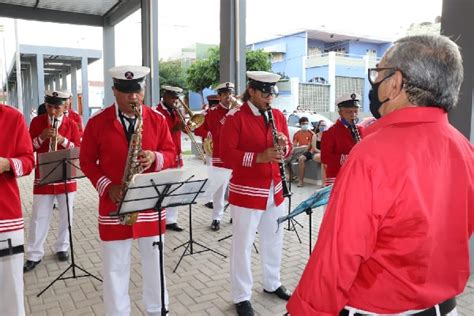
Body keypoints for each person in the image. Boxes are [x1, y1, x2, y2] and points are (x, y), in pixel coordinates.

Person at [287, 34, 473, 315]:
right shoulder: (465, 149)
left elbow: (338, 256)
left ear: (395, 83)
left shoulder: (373, 154)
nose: (374, 84)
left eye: (379, 74)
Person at [80, 65, 177, 315]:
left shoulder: (157, 119)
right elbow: (87, 161)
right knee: (115, 267)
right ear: (114, 91)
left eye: (137, 90)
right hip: (114, 203)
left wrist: (155, 157)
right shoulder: (97, 122)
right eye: (126, 91)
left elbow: (172, 154)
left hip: (149, 204)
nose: (133, 97)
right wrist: (107, 187)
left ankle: (158, 309)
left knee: (154, 262)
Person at [220, 71, 293, 316]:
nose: (269, 98)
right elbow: (226, 154)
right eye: (264, 93)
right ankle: (241, 296)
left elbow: (289, 148)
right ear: (251, 90)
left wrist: (284, 145)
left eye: (272, 93)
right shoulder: (235, 117)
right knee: (243, 244)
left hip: (274, 188)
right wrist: (259, 157)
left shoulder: (278, 115)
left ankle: (272, 283)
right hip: (247, 190)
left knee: (274, 239)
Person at [24, 90, 81, 272]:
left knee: (67, 216)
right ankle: (34, 254)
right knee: (39, 217)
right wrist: (42, 137)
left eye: (57, 107)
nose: (53, 111)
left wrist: (62, 140)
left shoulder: (72, 123)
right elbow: (28, 147)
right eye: (49, 106)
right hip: (44, 176)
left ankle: (62, 247)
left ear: (65, 106)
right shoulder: (37, 122)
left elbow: (78, 149)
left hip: (66, 175)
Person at [0, 103, 35, 316]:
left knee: (11, 291)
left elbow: (29, 161)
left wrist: (7, 164)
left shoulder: (13, 117)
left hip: (6, 219)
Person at [194, 82, 235, 231]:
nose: (228, 97)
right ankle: (217, 217)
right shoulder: (211, 112)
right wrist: (207, 134)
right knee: (219, 188)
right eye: (225, 94)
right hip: (218, 155)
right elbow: (196, 128)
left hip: (236, 155)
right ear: (219, 96)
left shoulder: (238, 111)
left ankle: (235, 215)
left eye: (230, 94)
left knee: (235, 188)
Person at [153, 85, 186, 232]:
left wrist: (186, 126)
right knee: (162, 189)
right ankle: (160, 218)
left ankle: (172, 220)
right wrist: (175, 128)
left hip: (177, 154)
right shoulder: (156, 112)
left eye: (176, 98)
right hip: (164, 155)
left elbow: (185, 129)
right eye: (172, 97)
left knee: (175, 189)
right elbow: (158, 134)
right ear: (164, 95)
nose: (175, 100)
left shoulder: (178, 110)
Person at [320, 93, 363, 187]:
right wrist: (347, 158)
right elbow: (325, 157)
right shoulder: (330, 132)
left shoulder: (361, 129)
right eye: (349, 112)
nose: (353, 115)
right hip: (337, 178)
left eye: (356, 111)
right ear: (340, 113)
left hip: (358, 176)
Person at [292, 116, 315, 187]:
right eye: (303, 123)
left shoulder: (312, 134)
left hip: (309, 152)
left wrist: (304, 152)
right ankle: (292, 176)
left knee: (301, 159)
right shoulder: (297, 134)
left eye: (306, 123)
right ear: (300, 124)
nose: (305, 125)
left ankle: (301, 181)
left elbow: (310, 146)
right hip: (299, 151)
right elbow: (294, 144)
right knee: (285, 159)